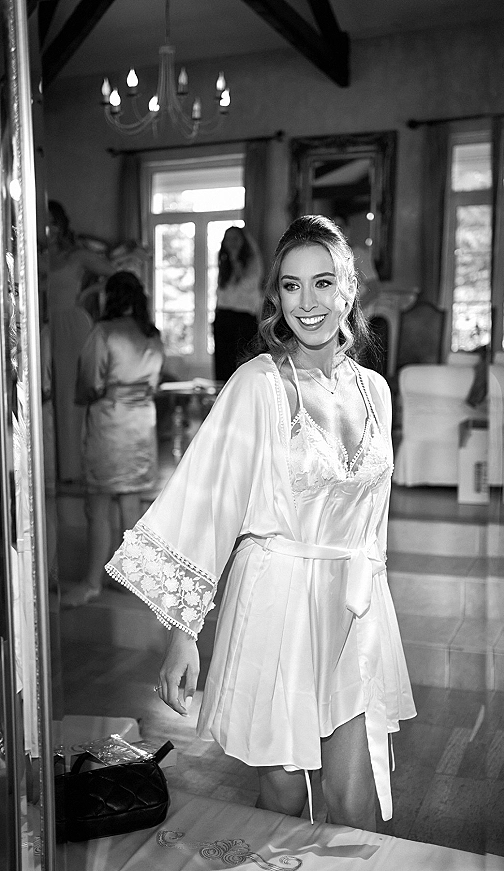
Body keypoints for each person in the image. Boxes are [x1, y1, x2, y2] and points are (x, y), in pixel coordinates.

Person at [105, 216, 415, 831]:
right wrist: (183, 631)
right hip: (275, 603)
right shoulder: (258, 385)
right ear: (275, 296)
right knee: (283, 802)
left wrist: (375, 602)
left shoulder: (375, 391)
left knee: (354, 798)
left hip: (353, 607)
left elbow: (374, 517)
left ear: (349, 290)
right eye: (292, 286)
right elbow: (206, 499)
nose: (308, 302)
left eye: (324, 283)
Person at [61, 271, 164, 608]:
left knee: (98, 505)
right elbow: (154, 381)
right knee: (131, 506)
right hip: (141, 423)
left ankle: (92, 582)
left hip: (110, 422)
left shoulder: (103, 332)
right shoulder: (153, 336)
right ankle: (131, 579)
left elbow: (89, 381)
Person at [46, 200, 116, 483]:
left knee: (70, 395)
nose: (47, 228)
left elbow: (116, 275)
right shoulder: (31, 252)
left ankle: (75, 469)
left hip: (73, 325)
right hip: (44, 327)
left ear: (61, 225)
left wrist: (88, 292)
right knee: (52, 397)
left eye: (51, 221)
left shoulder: (76, 255)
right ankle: (55, 468)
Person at [213, 225, 263, 382]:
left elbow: (245, 286)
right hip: (223, 317)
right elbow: (223, 293)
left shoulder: (253, 261)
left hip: (244, 319)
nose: (231, 243)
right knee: (223, 367)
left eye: (235, 238)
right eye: (228, 239)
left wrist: (235, 259)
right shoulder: (223, 262)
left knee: (244, 365)